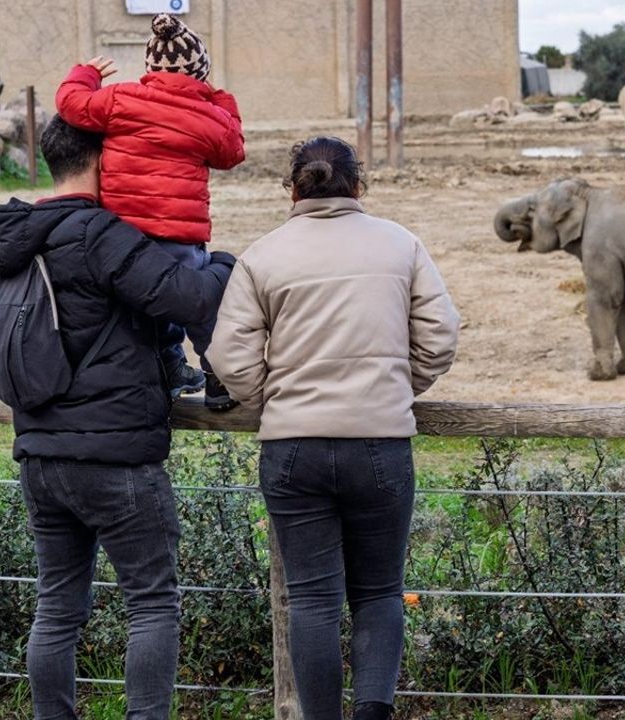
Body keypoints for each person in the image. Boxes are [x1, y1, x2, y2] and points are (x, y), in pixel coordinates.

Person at [0, 116, 235, 720]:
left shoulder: (16, 238)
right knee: (151, 603)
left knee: (56, 606)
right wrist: (220, 261)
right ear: (106, 156)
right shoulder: (95, 233)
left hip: (40, 455)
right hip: (116, 460)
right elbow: (189, 297)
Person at [209, 137, 461, 720]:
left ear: (293, 189)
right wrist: (397, 386)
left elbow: (230, 355)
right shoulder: (402, 245)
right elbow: (440, 336)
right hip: (380, 444)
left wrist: (273, 396)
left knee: (313, 599)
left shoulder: (263, 255)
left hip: (293, 448)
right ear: (359, 186)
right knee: (378, 593)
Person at [56, 13, 245, 410]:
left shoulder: (122, 98)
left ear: (149, 68)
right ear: (199, 75)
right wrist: (220, 100)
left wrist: (85, 73)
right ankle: (218, 379)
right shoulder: (207, 115)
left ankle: (170, 365)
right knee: (200, 304)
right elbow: (232, 150)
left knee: (147, 302)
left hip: (124, 235)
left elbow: (71, 105)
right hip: (179, 236)